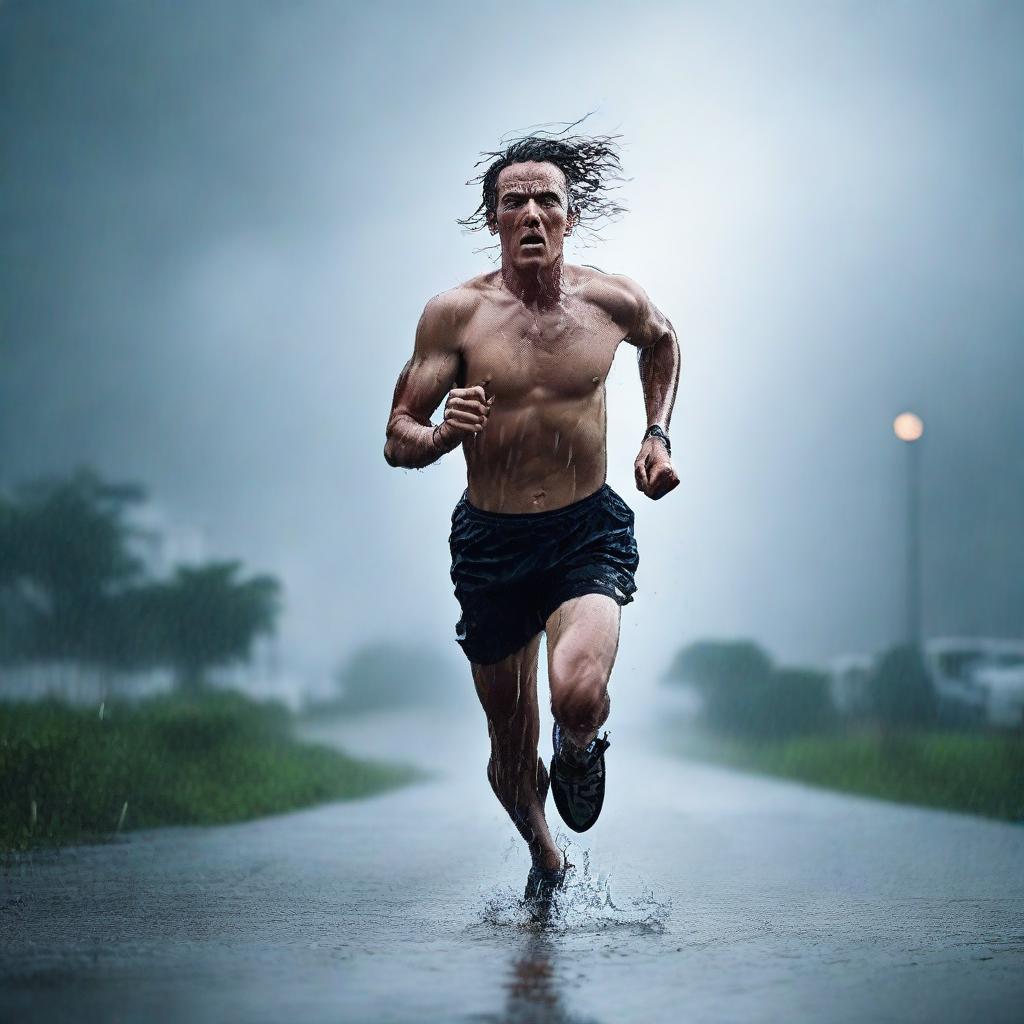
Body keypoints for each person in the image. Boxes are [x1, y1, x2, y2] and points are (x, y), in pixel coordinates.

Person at [384, 125, 680, 912]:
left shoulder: (612, 302)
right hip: (492, 542)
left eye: (548, 200)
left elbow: (664, 341)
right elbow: (396, 436)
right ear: (495, 221)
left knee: (576, 691)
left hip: (587, 529)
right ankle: (545, 855)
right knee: (510, 759)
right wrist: (445, 431)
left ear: (570, 216)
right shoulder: (455, 318)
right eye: (515, 202)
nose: (532, 215)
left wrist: (656, 434)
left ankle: (580, 746)